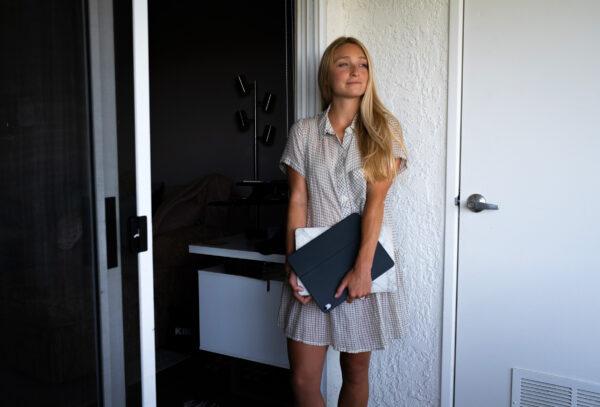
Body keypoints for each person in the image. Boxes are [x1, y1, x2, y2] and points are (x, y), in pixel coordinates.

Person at [278, 36, 409, 407]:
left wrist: (363, 269)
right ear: (326, 76)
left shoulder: (385, 131)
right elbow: (297, 200)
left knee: (354, 373)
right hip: (314, 264)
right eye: (344, 63)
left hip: (362, 263)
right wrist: (295, 265)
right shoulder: (303, 132)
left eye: (363, 64)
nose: (355, 71)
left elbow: (375, 204)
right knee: (303, 380)